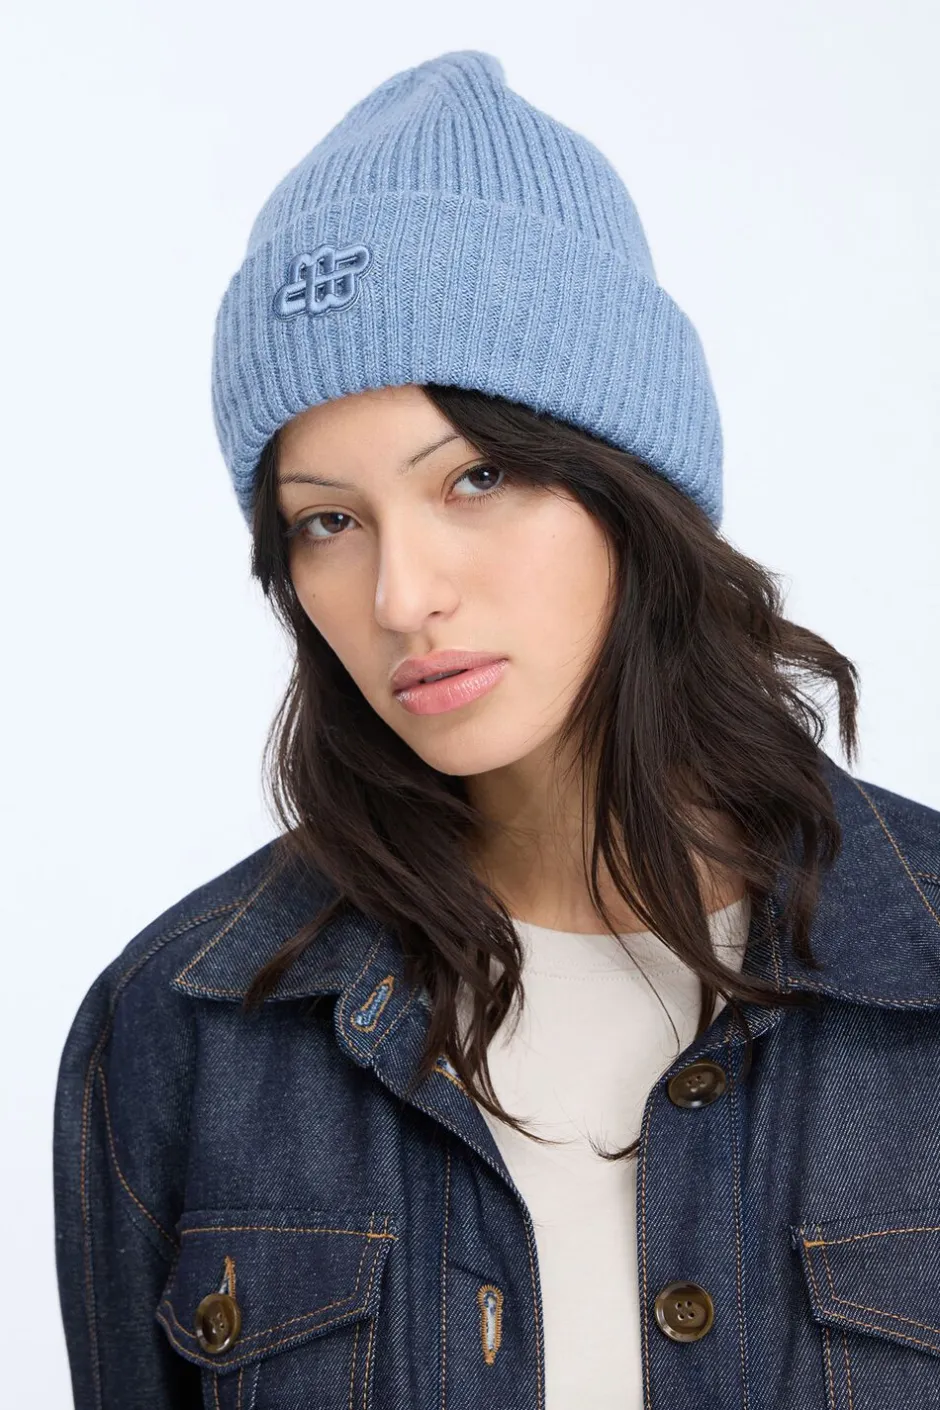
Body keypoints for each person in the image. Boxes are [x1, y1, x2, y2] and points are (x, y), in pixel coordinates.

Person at [53, 49, 940, 1410]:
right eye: (327, 520)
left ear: (629, 483)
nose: (400, 596)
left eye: (475, 477)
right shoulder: (186, 1030)